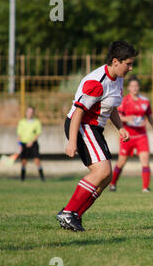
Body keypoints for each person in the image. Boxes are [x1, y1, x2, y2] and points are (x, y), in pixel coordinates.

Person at [56, 41, 138, 232]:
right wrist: (72, 142)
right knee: (101, 171)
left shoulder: (118, 77)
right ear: (116, 61)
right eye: (129, 63)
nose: (131, 68)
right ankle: (69, 213)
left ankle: (74, 214)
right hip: (82, 126)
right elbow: (77, 113)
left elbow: (112, 105)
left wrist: (120, 127)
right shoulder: (97, 83)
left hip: (93, 129)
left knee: (106, 176)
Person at [109, 76, 153, 193]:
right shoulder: (124, 101)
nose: (134, 88)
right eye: (132, 86)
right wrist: (128, 118)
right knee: (121, 162)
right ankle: (113, 184)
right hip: (127, 136)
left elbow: (150, 117)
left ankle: (145, 188)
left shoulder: (145, 101)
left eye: (136, 86)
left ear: (139, 87)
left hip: (141, 136)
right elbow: (118, 116)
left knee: (145, 160)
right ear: (129, 88)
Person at [17, 106, 45, 181]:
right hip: (24, 143)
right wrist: (20, 145)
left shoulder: (36, 122)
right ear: (26, 112)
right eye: (28, 112)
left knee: (37, 160)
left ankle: (42, 178)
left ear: (33, 113)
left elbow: (38, 133)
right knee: (23, 161)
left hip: (33, 144)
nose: (29, 113)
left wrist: (32, 142)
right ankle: (22, 179)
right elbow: (19, 134)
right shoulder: (22, 122)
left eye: (31, 112)